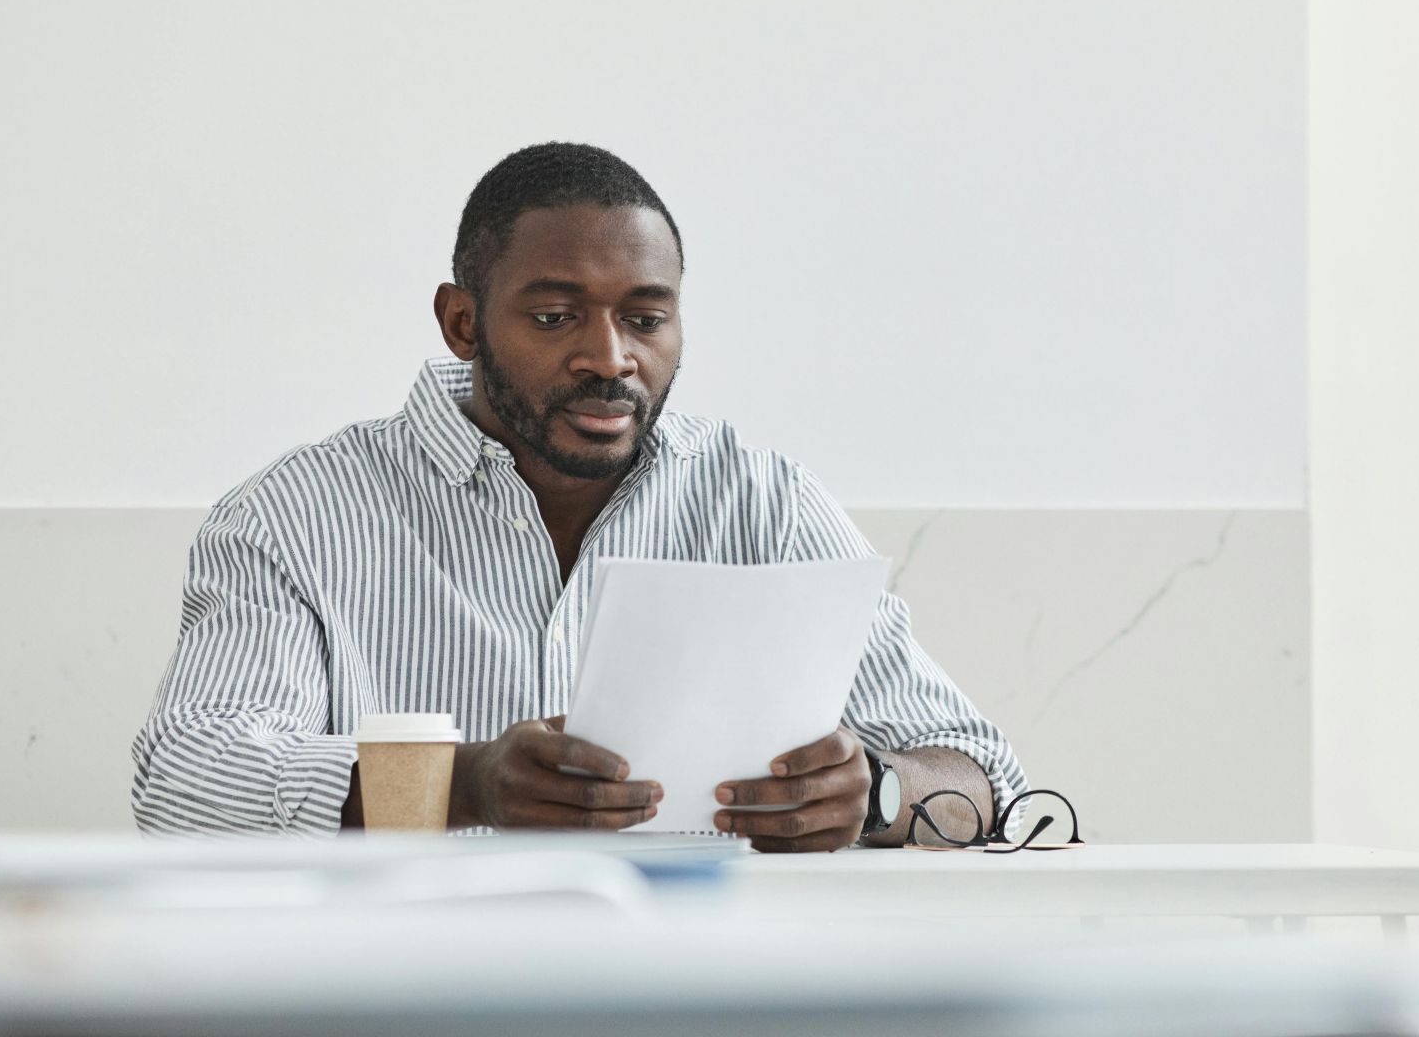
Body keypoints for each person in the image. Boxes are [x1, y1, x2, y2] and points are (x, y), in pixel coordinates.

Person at [131, 142, 1024, 851]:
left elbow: (987, 775)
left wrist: (879, 792)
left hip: (715, 998)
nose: (610, 357)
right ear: (462, 322)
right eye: (555, 316)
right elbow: (186, 778)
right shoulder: (293, 517)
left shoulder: (764, 502)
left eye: (646, 318)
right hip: (404, 996)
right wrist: (462, 784)